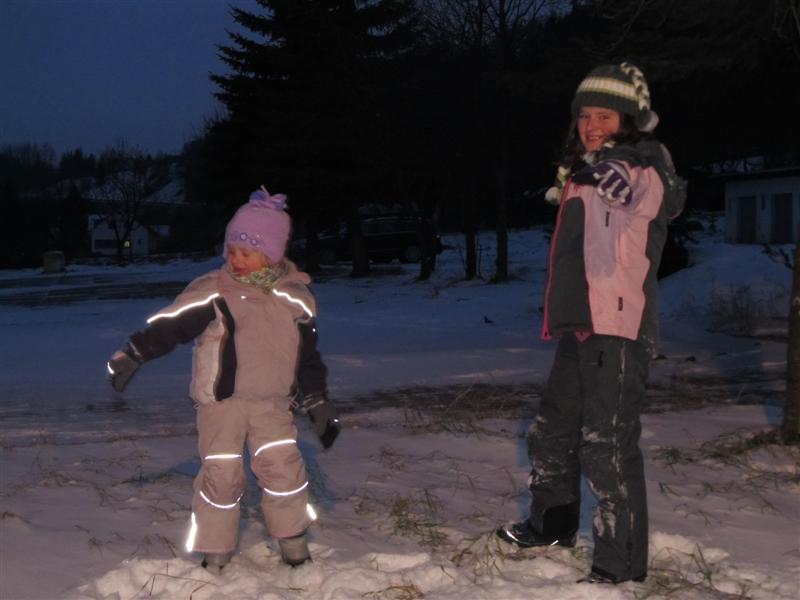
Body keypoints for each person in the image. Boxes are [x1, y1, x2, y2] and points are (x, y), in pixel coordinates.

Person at [496, 62, 685, 584]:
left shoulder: (642, 166)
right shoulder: (581, 174)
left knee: (607, 444)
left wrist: (616, 170)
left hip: (619, 328)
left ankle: (619, 564)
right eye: (585, 115)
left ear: (627, 121)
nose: (592, 125)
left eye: (605, 115)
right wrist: (590, 170)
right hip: (581, 325)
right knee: (552, 430)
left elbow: (649, 193)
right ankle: (553, 524)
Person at [106, 187, 341, 571]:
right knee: (222, 475)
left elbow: (307, 358)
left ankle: (294, 542)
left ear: (271, 254)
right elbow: (171, 326)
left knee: (284, 469)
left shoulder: (295, 299)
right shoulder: (214, 291)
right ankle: (215, 549)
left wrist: (316, 400)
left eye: (246, 252)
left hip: (273, 404)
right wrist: (134, 353)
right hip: (221, 406)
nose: (236, 259)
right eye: (232, 250)